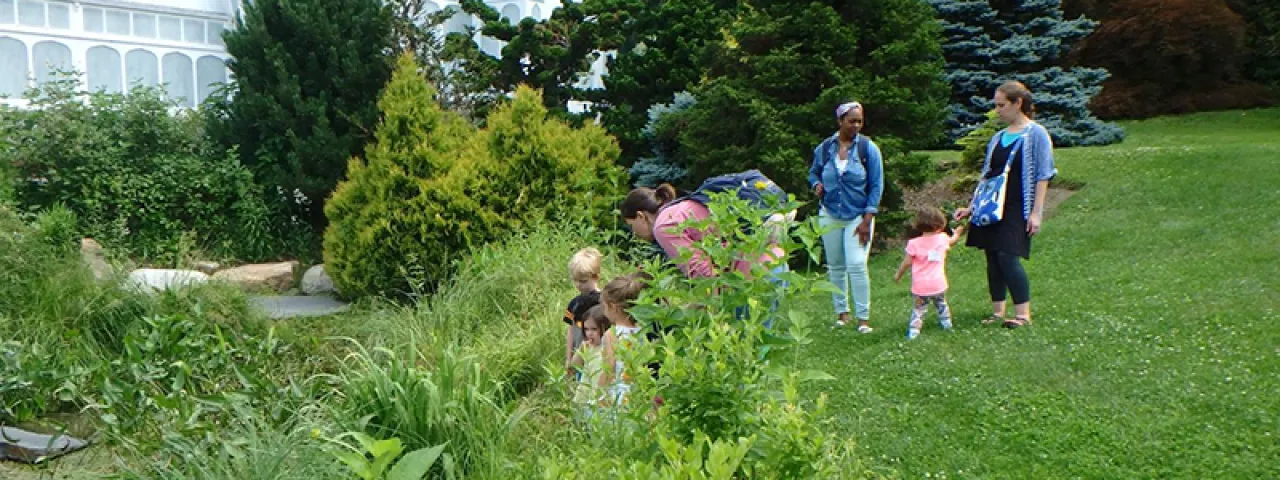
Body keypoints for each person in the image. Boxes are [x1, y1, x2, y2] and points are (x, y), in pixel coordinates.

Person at [952, 81, 1057, 329]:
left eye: (1001, 105)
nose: (997, 111)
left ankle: (1023, 314)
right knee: (992, 257)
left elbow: (1044, 174)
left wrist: (1036, 213)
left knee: (1008, 255)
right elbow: (987, 175)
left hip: (1017, 206)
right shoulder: (998, 137)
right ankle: (998, 311)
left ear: (1017, 103)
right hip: (992, 207)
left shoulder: (1036, 134)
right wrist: (972, 207)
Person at [808, 101, 885, 333]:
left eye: (859, 121)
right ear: (840, 121)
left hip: (858, 215)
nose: (856, 125)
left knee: (857, 264)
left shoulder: (867, 149)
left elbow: (876, 184)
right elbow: (813, 172)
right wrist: (816, 184)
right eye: (851, 121)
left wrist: (867, 219)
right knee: (836, 266)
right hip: (830, 213)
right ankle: (842, 314)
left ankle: (863, 319)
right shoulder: (824, 149)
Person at [894, 208, 965, 339]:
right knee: (941, 304)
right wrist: (958, 233)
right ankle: (946, 324)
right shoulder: (942, 239)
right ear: (940, 226)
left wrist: (898, 275)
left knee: (919, 309)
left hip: (920, 286)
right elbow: (952, 240)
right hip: (938, 283)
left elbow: (907, 263)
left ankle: (914, 332)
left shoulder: (914, 243)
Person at [599, 273, 648, 406]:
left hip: (619, 394)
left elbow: (609, 366)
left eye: (604, 306)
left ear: (613, 307)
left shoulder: (613, 334)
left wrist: (599, 393)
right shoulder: (642, 331)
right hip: (639, 393)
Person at [563, 248, 602, 380]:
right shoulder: (574, 304)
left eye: (583, 281)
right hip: (579, 356)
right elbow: (570, 329)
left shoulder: (603, 301)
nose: (579, 285)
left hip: (599, 355)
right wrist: (568, 357)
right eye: (576, 280)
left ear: (596, 277)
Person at [570, 305, 610, 420]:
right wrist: (581, 350)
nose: (589, 333)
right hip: (584, 392)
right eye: (586, 329)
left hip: (598, 392)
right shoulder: (588, 347)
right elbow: (575, 365)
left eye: (594, 329)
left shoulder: (607, 349)